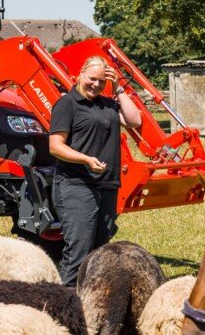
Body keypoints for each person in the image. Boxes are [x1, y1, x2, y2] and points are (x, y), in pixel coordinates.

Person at [48, 56, 143, 286]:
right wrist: (86, 160)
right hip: (76, 185)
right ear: (80, 73)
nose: (96, 85)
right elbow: (55, 146)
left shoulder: (107, 104)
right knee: (79, 251)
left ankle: (92, 300)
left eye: (102, 81)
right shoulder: (68, 104)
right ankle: (67, 304)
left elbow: (134, 120)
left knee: (100, 252)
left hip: (106, 186)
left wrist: (119, 88)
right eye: (92, 79)